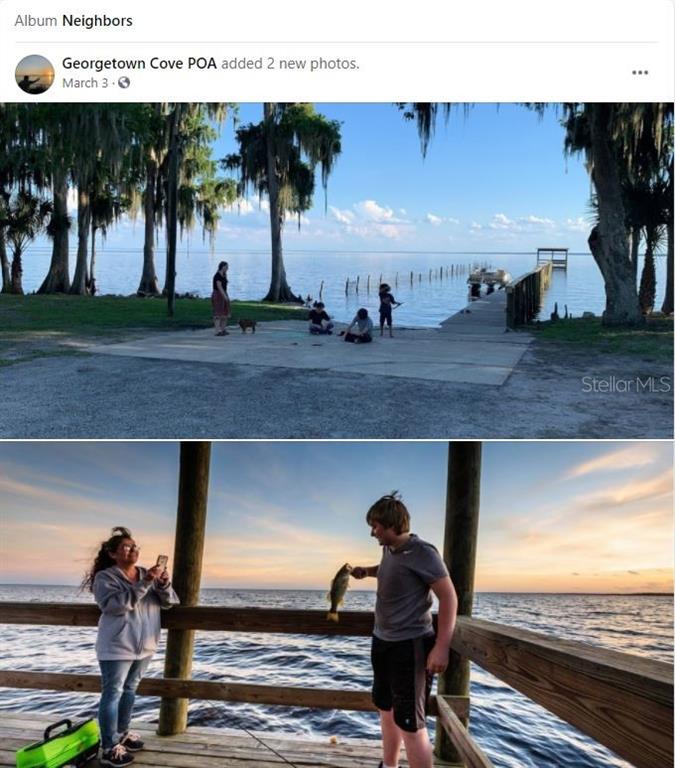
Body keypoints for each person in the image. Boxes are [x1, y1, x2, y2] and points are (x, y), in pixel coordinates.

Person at [352, 493, 457, 768]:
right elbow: (392, 569)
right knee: (385, 709)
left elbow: (448, 597)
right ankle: (390, 766)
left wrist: (442, 647)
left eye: (375, 526)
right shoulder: (389, 549)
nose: (372, 533)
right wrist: (368, 572)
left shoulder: (423, 552)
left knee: (411, 724)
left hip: (410, 647)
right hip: (382, 641)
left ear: (391, 524)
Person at [81, 527, 179, 767]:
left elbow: (169, 602)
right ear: (113, 553)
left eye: (135, 546)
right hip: (117, 645)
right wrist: (146, 583)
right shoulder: (105, 578)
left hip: (145, 645)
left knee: (130, 689)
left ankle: (122, 733)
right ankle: (108, 747)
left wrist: (163, 584)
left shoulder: (147, 573)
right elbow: (114, 606)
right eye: (127, 547)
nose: (133, 550)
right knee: (112, 693)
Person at [211, 261, 231, 336]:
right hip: (218, 295)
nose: (227, 268)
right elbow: (219, 287)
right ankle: (217, 331)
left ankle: (223, 329)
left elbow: (225, 286)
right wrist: (224, 296)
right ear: (222, 267)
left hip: (224, 293)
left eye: (227, 267)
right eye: (226, 267)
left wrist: (226, 296)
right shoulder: (217, 276)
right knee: (218, 314)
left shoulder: (224, 275)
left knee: (225, 313)